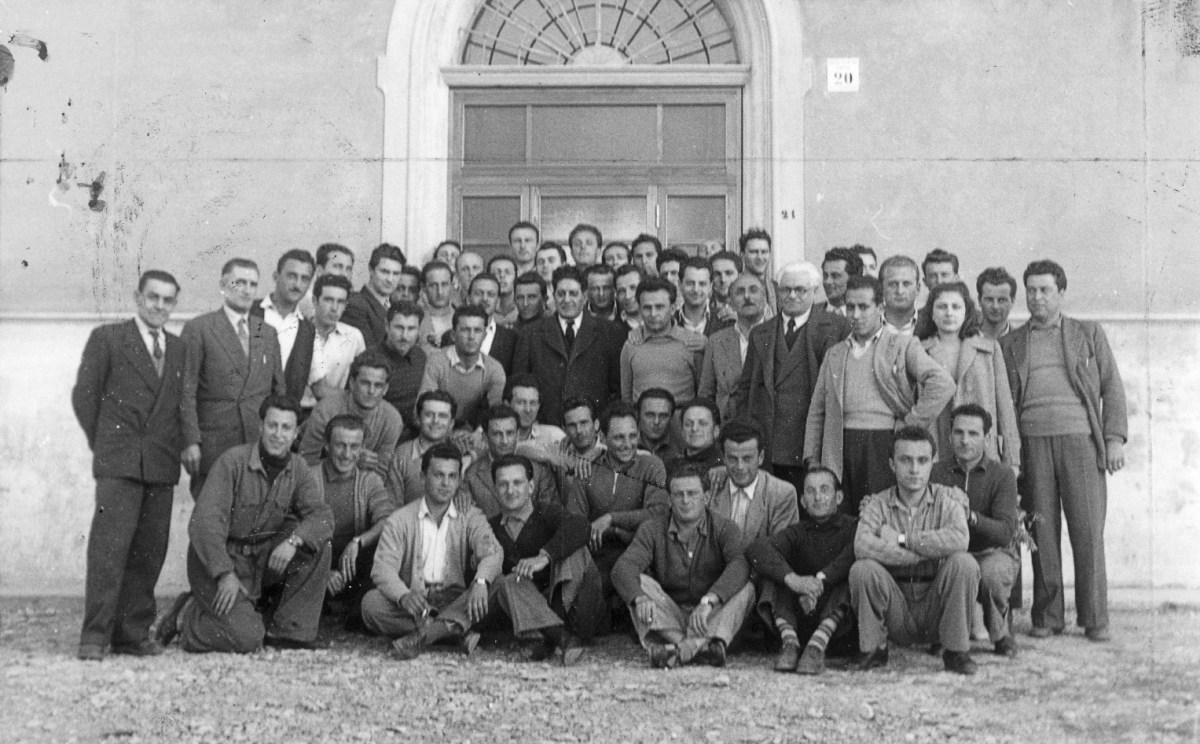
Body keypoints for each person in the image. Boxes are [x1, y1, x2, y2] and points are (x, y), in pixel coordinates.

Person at [1000, 259, 1127, 641]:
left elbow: (1112, 388)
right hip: (1033, 443)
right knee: (1042, 530)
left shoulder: (1087, 334)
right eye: (1032, 291)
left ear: (1061, 293)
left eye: (1045, 290)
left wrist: (1114, 438)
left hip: (1081, 443)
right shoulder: (1012, 343)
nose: (1037, 298)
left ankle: (1094, 617)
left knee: (1088, 530)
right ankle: (1048, 616)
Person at [157, 396, 333, 653]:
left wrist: (294, 541)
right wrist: (224, 573)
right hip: (217, 563)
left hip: (258, 562)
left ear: (296, 433)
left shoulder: (298, 468)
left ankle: (288, 631)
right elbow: (205, 524)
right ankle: (187, 619)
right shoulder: (232, 462)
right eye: (272, 426)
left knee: (317, 545)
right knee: (247, 638)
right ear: (260, 426)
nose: (278, 434)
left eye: (286, 428)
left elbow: (322, 515)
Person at [72, 270, 185, 661]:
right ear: (138, 298)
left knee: (149, 552)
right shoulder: (109, 338)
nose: (159, 306)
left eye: (167, 300)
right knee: (109, 550)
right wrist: (107, 444)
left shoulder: (179, 348)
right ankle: (94, 636)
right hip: (119, 463)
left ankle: (132, 634)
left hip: (160, 463)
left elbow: (180, 405)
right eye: (153, 297)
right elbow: (84, 397)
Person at [804, 275, 955, 514]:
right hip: (840, 446)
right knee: (843, 518)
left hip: (882, 444)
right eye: (850, 307)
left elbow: (943, 383)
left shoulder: (902, 345)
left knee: (880, 514)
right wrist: (812, 459)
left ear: (880, 308)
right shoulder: (835, 353)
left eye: (863, 307)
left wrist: (910, 423)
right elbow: (817, 411)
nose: (855, 314)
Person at [848, 426, 980, 675]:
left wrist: (901, 538)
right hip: (895, 606)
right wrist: (921, 553)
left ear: (933, 463)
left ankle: (956, 651)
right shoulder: (878, 503)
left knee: (964, 563)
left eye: (922, 460)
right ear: (891, 463)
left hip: (936, 609)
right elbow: (862, 545)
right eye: (905, 460)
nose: (914, 469)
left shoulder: (946, 500)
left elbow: (960, 539)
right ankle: (874, 649)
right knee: (862, 569)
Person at [360, 442, 502, 660]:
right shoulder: (400, 519)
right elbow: (382, 568)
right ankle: (452, 631)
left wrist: (481, 582)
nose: (445, 483)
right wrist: (403, 596)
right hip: (417, 601)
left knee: (494, 586)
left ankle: (429, 633)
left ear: (459, 480)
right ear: (423, 477)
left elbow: (492, 551)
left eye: (452, 476)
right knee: (371, 604)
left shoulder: (469, 515)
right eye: (438, 475)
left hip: (456, 600)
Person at [612, 462, 755, 668]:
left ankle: (681, 650)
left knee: (747, 588)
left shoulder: (724, 528)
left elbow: (740, 564)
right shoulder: (652, 529)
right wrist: (640, 598)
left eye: (692, 494)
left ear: (706, 498)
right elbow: (623, 568)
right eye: (678, 495)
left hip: (711, 615)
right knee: (638, 584)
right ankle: (697, 647)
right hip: (672, 615)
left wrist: (709, 601)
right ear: (669, 499)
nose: (685, 501)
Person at [734, 262, 850, 492]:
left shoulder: (836, 328)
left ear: (815, 292)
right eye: (786, 289)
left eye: (800, 290)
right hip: (770, 442)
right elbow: (746, 390)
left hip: (810, 442)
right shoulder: (762, 332)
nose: (792, 295)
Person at [484, 454, 608, 662]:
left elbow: (580, 526)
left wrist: (545, 556)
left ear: (531, 487)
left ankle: (551, 634)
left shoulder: (546, 512)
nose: (511, 490)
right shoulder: (491, 528)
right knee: (508, 581)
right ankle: (557, 637)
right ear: (495, 489)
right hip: (530, 610)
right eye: (503, 484)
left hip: (573, 611)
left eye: (517, 483)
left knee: (574, 548)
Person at [180, 258, 284, 495]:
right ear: (223, 285)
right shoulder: (200, 328)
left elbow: (279, 392)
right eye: (239, 283)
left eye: (252, 284)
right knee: (212, 518)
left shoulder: (263, 331)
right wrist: (190, 441)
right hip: (215, 445)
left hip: (257, 444)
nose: (247, 290)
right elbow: (185, 391)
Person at [746, 466, 857, 674]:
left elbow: (851, 554)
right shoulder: (797, 532)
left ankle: (816, 647)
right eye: (810, 491)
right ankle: (790, 645)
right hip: (799, 618)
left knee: (853, 574)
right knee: (772, 573)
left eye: (825, 490)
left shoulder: (853, 527)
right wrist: (794, 580)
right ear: (803, 501)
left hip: (835, 624)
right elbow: (757, 548)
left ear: (839, 496)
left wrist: (820, 581)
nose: (818, 497)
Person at [931, 404, 1021, 657]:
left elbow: (1005, 532)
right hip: (950, 553)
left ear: (987, 437)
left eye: (973, 433)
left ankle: (1000, 634)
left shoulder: (1002, 475)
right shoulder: (936, 471)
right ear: (949, 436)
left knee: (992, 573)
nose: (965, 440)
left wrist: (969, 516)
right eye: (958, 433)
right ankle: (945, 633)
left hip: (992, 552)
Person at [566, 402, 669, 599]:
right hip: (596, 554)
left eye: (632, 435)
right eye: (619, 437)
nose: (628, 444)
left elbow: (658, 513)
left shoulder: (651, 465)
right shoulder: (587, 467)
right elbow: (574, 518)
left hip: (637, 552)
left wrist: (611, 519)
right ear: (603, 438)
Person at [916, 281, 1021, 472]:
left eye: (956, 307)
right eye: (942, 307)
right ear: (931, 313)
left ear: (966, 311)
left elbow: (1005, 408)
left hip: (982, 448)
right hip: (938, 447)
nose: (949, 313)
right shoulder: (920, 351)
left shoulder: (988, 349)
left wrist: (1012, 459)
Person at [511, 265, 625, 426]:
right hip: (546, 429)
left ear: (585, 296)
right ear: (553, 296)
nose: (567, 300)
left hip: (593, 429)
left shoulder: (610, 332)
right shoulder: (531, 333)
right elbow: (519, 385)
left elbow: (616, 389)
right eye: (561, 294)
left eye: (573, 293)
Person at [319, 414, 396, 624]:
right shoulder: (310, 477)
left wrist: (358, 542)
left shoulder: (369, 480)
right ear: (327, 446)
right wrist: (322, 571)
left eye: (354, 447)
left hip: (351, 561)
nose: (347, 454)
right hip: (316, 558)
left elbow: (386, 519)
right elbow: (296, 528)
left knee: (383, 548)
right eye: (340, 446)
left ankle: (353, 608)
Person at [299, 350, 403, 474]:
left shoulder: (392, 420)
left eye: (378, 385)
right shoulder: (326, 409)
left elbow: (381, 471)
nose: (371, 391)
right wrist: (349, 459)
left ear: (386, 389)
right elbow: (306, 462)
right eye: (365, 383)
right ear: (352, 383)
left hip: (363, 485)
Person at [707, 419, 799, 549]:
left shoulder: (782, 494)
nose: (740, 467)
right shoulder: (713, 485)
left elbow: (780, 552)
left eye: (747, 458)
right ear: (724, 458)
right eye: (733, 458)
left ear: (760, 457)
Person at [463, 405, 562, 518]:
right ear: (485, 437)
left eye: (509, 433)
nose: (504, 441)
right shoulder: (470, 475)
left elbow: (553, 517)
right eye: (497, 434)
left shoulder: (539, 471)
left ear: (518, 434)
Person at [620, 277, 705, 405]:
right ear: (640, 309)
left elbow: (703, 393)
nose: (653, 314)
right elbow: (626, 397)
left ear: (672, 308)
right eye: (647, 308)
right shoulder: (631, 345)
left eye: (659, 307)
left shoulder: (694, 343)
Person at [419, 304, 506, 429]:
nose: (471, 336)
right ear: (453, 335)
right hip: (439, 429)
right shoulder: (436, 363)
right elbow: (424, 411)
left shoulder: (494, 370)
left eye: (477, 330)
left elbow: (495, 416)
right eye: (465, 329)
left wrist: (476, 435)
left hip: (476, 435)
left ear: (485, 336)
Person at [699, 272, 766, 424]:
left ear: (764, 298)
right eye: (740, 292)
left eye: (753, 290)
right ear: (731, 302)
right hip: (728, 427)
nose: (747, 297)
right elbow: (706, 394)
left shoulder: (777, 335)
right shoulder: (717, 341)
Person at [251, 249, 315, 405]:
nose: (297, 285)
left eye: (305, 279)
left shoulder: (307, 330)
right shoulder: (250, 312)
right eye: (292, 276)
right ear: (276, 276)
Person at [300, 274, 367, 417]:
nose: (334, 308)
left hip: (336, 412)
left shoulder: (353, 336)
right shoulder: (299, 332)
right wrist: (356, 397)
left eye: (341, 301)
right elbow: (320, 390)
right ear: (314, 301)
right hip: (298, 412)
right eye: (328, 300)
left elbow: (364, 379)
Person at [385, 390, 461, 506]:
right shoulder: (402, 455)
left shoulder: (461, 451)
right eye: (429, 414)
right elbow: (392, 504)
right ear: (418, 419)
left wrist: (472, 456)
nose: (435, 421)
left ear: (451, 423)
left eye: (442, 416)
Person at [439, 273, 517, 374]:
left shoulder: (511, 338)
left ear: (497, 302)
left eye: (491, 294)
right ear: (468, 299)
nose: (484, 299)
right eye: (478, 293)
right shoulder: (449, 337)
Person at [371, 301, 427, 433]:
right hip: (381, 433)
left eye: (411, 329)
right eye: (399, 328)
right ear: (386, 326)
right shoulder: (371, 360)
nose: (405, 336)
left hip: (416, 433)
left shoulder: (420, 356)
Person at [344, 243, 405, 347]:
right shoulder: (355, 304)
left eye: (395, 274)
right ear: (371, 270)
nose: (390, 279)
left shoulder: (396, 307)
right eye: (384, 272)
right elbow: (368, 353)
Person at [506, 374, 567, 456]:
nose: (528, 409)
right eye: (521, 402)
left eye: (533, 403)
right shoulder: (492, 436)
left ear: (538, 406)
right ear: (507, 405)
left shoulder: (553, 436)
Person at [675, 256, 731, 337]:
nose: (696, 290)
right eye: (690, 283)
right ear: (680, 285)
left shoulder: (725, 320)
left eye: (702, 284)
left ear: (710, 286)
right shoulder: (669, 322)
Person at [298, 243, 354, 320]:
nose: (344, 274)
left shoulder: (350, 298)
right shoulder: (308, 299)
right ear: (319, 270)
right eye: (337, 266)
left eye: (348, 269)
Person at [667, 398, 723, 472]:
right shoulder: (670, 467)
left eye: (703, 423)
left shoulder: (724, 469)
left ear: (716, 431)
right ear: (682, 431)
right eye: (688, 424)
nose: (694, 428)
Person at [635, 388, 684, 463]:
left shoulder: (683, 444)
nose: (656, 422)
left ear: (671, 418)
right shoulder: (625, 443)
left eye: (663, 416)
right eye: (650, 415)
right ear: (638, 415)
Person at [417, 260, 456, 353]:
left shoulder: (462, 317)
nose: (440, 292)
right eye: (433, 285)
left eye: (444, 284)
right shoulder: (415, 320)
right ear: (423, 287)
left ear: (452, 285)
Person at [739, 229, 777, 320]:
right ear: (742, 256)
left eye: (764, 252)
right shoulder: (734, 287)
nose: (760, 257)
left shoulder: (777, 288)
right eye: (753, 252)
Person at [879, 255, 922, 335]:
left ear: (918, 289)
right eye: (893, 284)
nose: (900, 291)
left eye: (906, 284)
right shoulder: (868, 325)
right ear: (881, 288)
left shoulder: (933, 325)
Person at [816, 246, 864, 317]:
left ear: (853, 278)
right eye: (825, 275)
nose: (827, 282)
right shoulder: (812, 315)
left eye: (835, 276)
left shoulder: (865, 313)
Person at [976, 266, 1019, 340]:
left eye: (1001, 300)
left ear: (1012, 301)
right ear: (979, 300)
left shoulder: (1022, 343)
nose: (995, 306)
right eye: (989, 300)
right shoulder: (965, 338)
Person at [708, 250, 743, 320]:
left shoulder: (756, 306)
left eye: (729, 273)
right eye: (717, 274)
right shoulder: (701, 307)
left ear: (740, 276)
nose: (723, 280)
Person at [488, 254, 520, 328]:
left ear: (516, 277)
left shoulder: (524, 307)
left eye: (507, 272)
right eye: (497, 272)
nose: (502, 276)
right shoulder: (482, 311)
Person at [614, 264, 644, 332]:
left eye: (633, 288)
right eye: (622, 291)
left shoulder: (664, 322)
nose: (628, 296)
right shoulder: (611, 330)